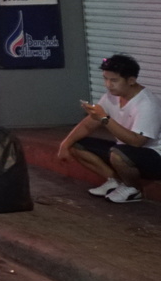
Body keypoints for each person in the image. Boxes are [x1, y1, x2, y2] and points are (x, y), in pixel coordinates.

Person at [59, 54, 161, 204]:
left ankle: (134, 189)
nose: (108, 84)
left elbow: (137, 142)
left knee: (118, 154)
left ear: (131, 80)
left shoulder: (147, 104)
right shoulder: (111, 96)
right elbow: (88, 124)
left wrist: (105, 119)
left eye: (114, 80)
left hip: (154, 156)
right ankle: (116, 181)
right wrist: (65, 144)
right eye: (105, 79)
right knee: (77, 144)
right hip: (124, 150)